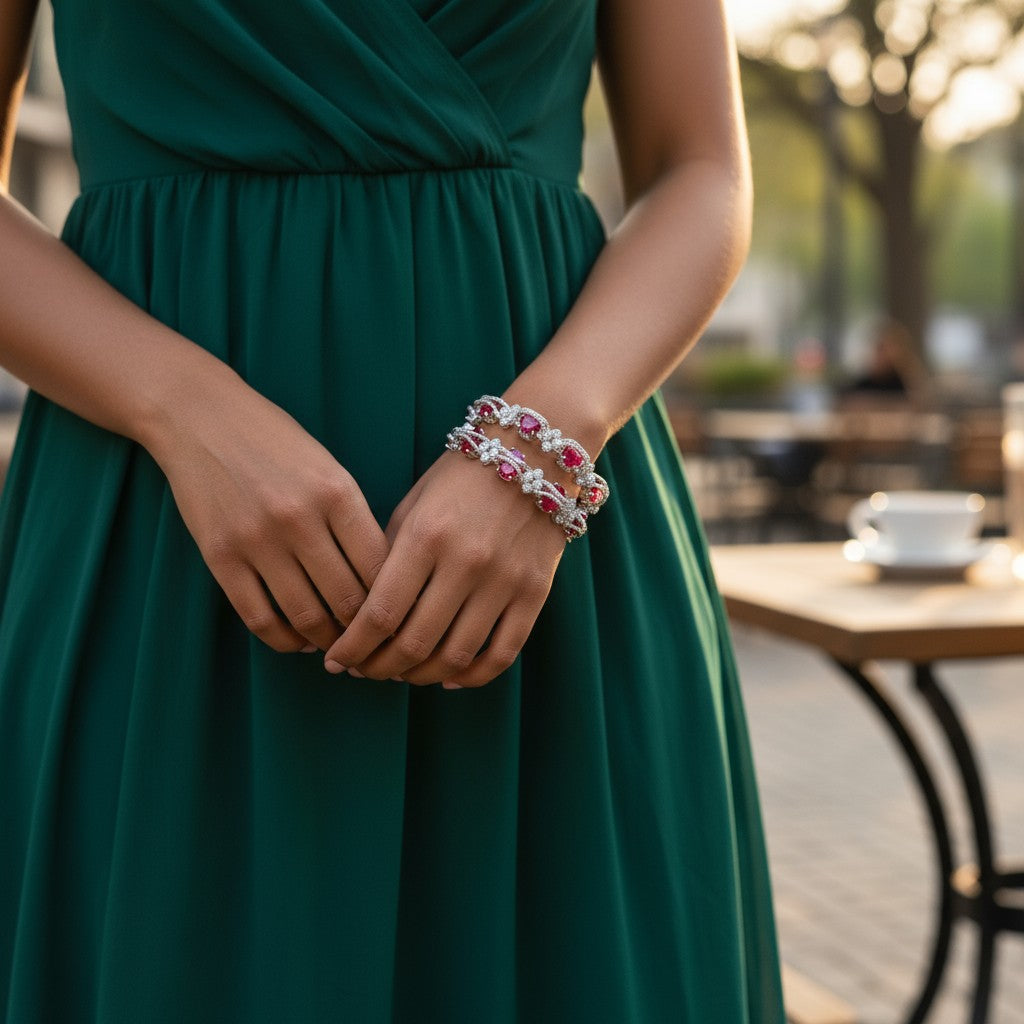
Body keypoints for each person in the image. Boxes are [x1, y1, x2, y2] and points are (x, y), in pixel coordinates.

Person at [0, 0, 785, 1020]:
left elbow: (701, 169)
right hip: (157, 550)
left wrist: (537, 443)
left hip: (549, 550)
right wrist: (181, 413)